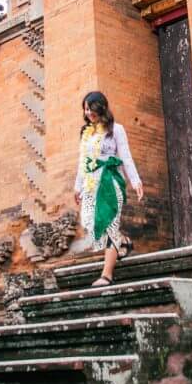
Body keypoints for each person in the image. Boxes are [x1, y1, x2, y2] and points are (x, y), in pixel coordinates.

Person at [74, 90, 144, 287]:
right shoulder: (86, 133)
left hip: (111, 182)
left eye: (91, 108)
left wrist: (135, 181)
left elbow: (126, 157)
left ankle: (107, 275)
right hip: (91, 184)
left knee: (111, 225)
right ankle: (123, 242)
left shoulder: (116, 130)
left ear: (102, 107)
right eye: (86, 109)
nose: (88, 113)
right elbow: (83, 161)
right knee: (89, 221)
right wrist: (77, 186)